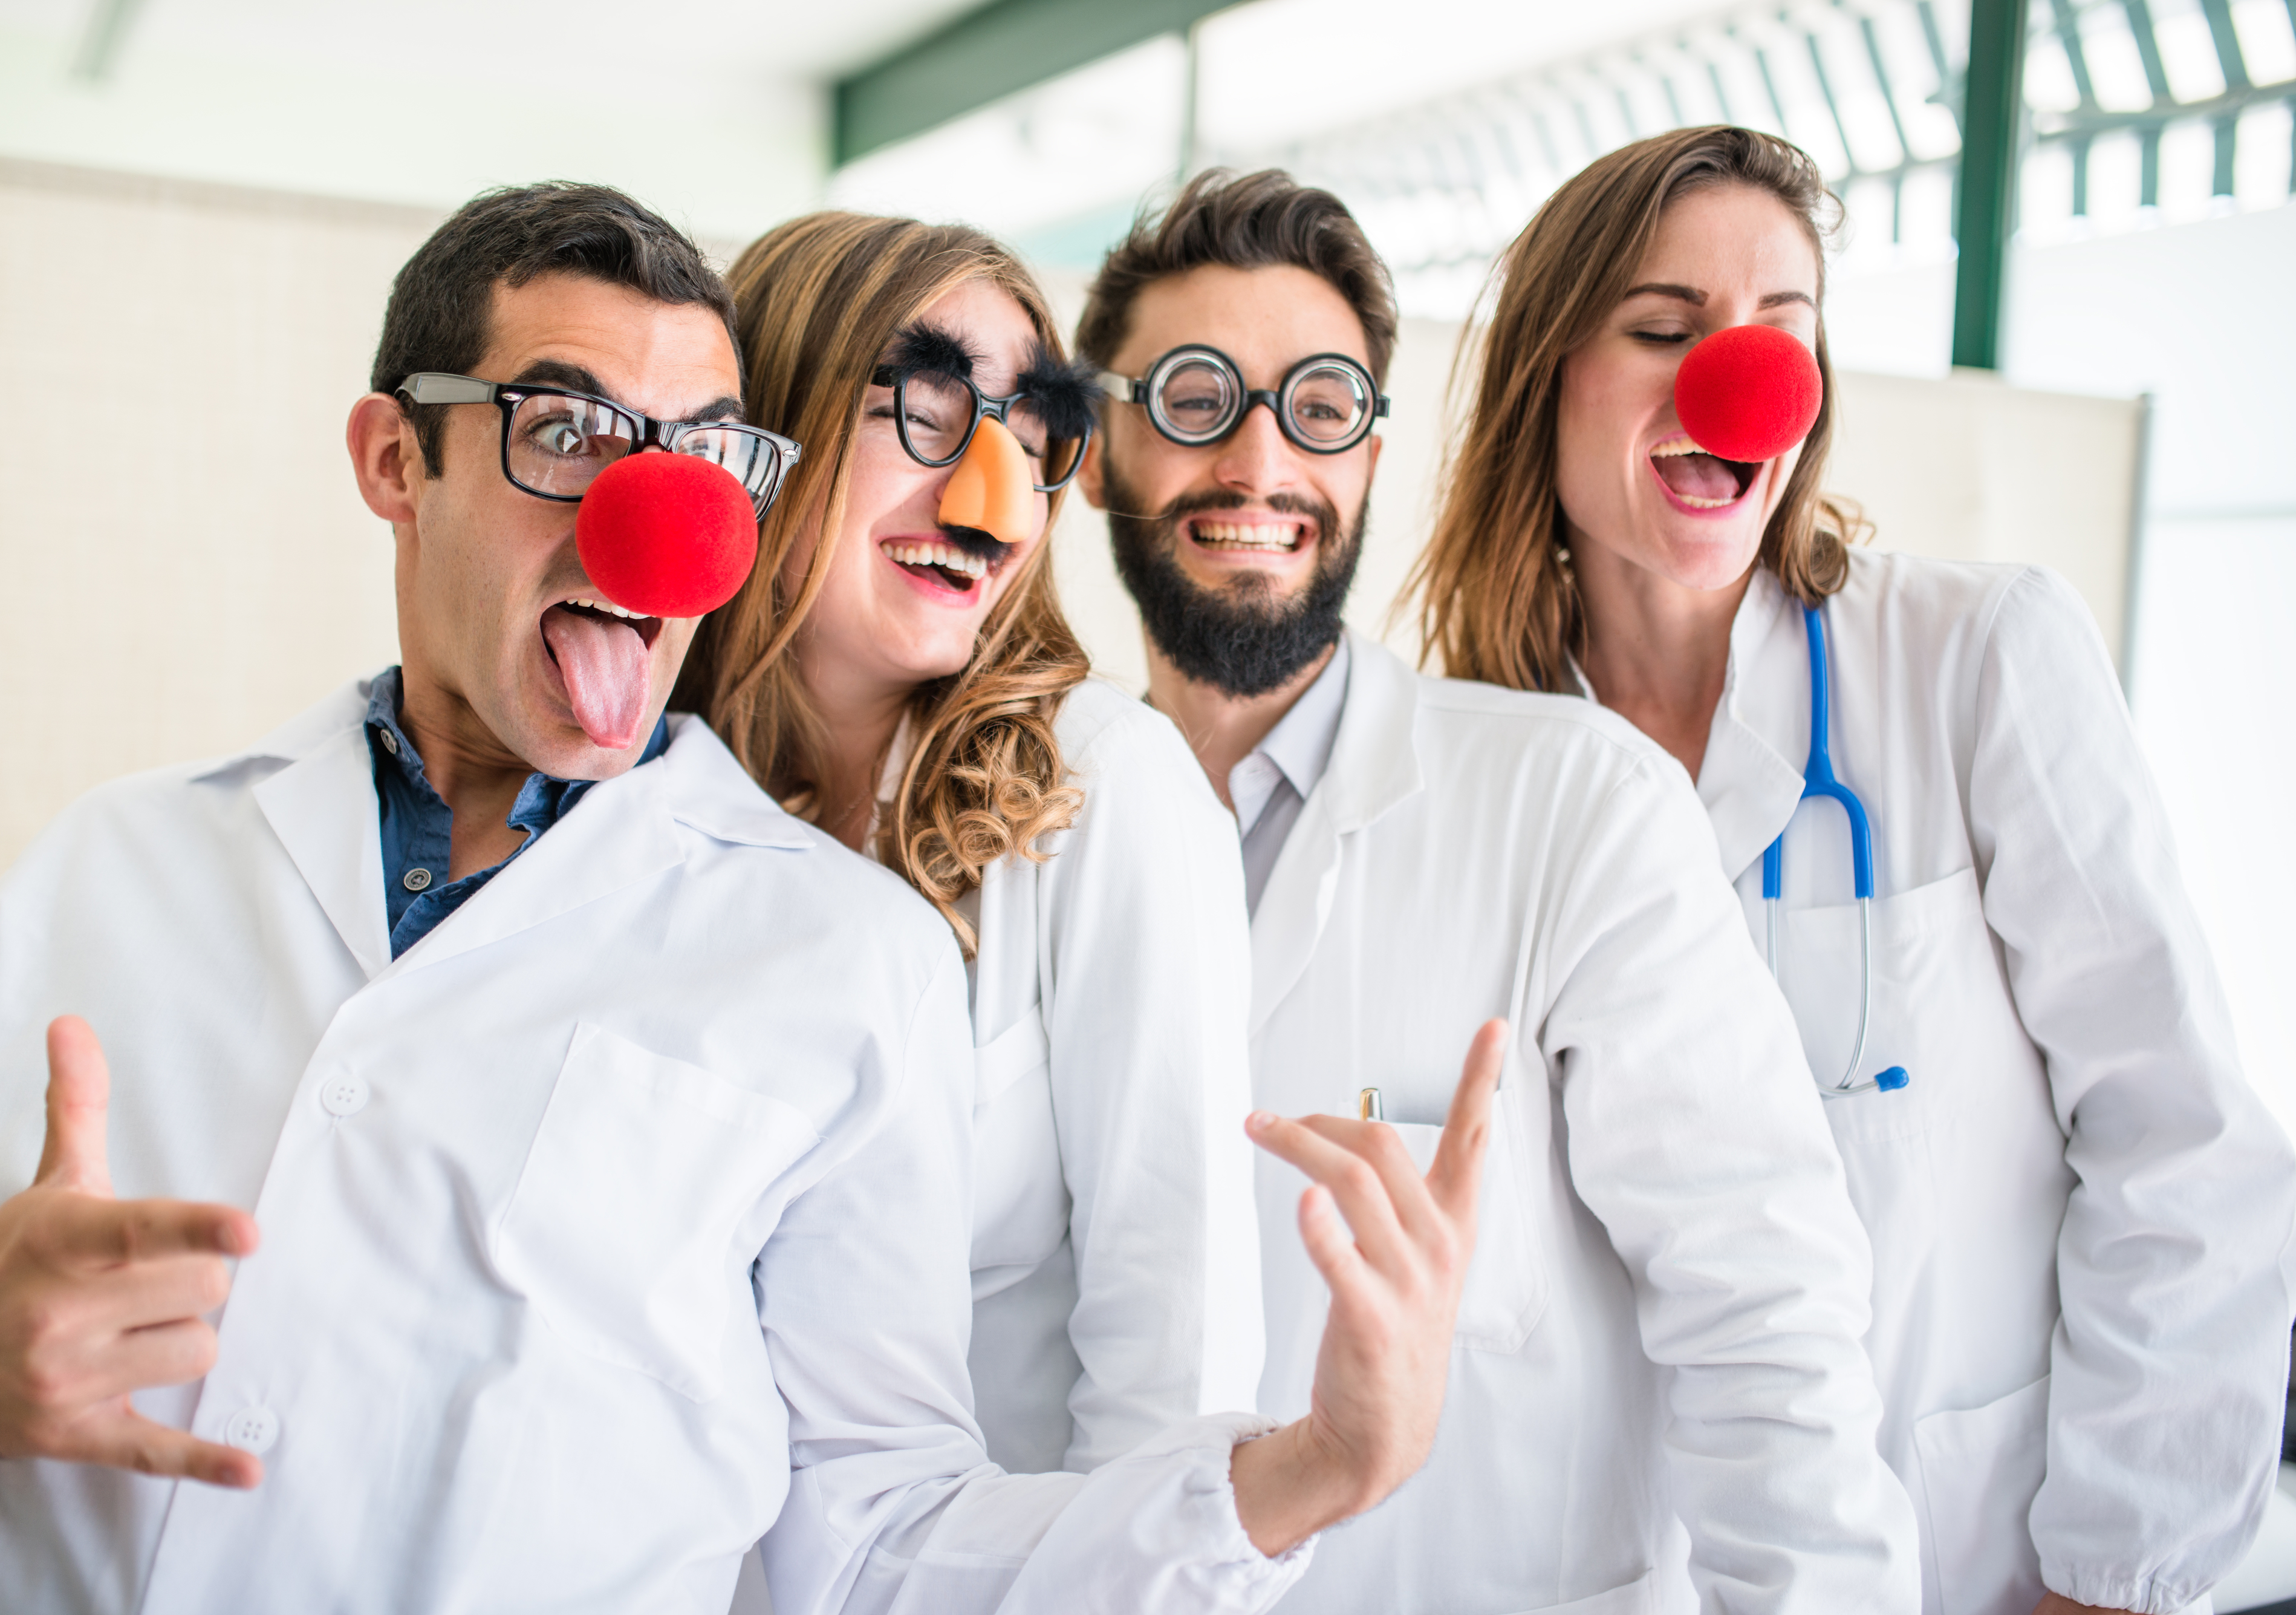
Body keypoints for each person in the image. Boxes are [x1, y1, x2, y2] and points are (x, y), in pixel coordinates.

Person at [0, 180, 1501, 1614]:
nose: (993, 491)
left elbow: (886, 1521)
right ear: (395, 458)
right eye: (566, 428)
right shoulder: (100, 864)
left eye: (694, 452)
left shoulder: (879, 925)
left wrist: (1298, 1472)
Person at [1410, 125, 2296, 1615]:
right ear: (1543, 376)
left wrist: (2107, 1581)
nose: (1731, 381)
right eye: (1663, 330)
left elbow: (2183, 1148)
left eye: (1780, 335)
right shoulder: (1469, 765)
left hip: (1979, 1556)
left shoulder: (1972, 659)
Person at [1078, 166, 1923, 1614]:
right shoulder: (1033, 830)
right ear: (1095, 446)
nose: (1259, 463)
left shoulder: (1575, 803)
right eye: (1194, 397)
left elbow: (1763, 1322)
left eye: (1322, 406)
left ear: (1365, 457)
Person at [676, 212, 1262, 1487]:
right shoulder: (637, 791)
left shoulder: (1102, 789)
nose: (993, 498)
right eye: (928, 406)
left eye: (1033, 435)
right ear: (769, 420)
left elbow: (1180, 1351)